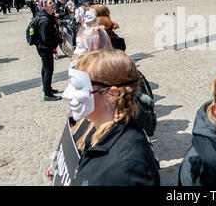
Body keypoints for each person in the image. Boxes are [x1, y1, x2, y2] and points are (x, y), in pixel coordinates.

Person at [60, 50, 160, 185]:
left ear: (112, 95)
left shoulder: (124, 168)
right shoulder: (96, 129)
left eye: (78, 86)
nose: (67, 94)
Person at [36, 0, 63, 101]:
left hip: (45, 47)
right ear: (44, 7)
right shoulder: (45, 20)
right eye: (50, 3)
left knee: (45, 68)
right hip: (45, 48)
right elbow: (46, 38)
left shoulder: (48, 17)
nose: (53, 4)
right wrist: (57, 41)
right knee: (48, 69)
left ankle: (47, 87)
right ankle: (47, 94)